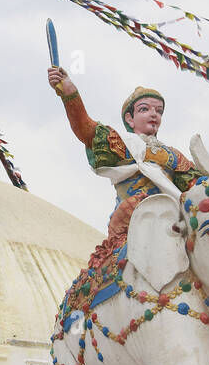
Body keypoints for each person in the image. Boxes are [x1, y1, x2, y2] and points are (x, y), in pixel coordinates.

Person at [48, 66, 199, 237]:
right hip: (132, 217)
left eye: (159, 111)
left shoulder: (173, 155)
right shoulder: (123, 143)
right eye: (145, 109)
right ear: (130, 119)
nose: (154, 114)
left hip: (173, 218)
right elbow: (86, 130)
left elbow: (194, 187)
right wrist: (69, 92)